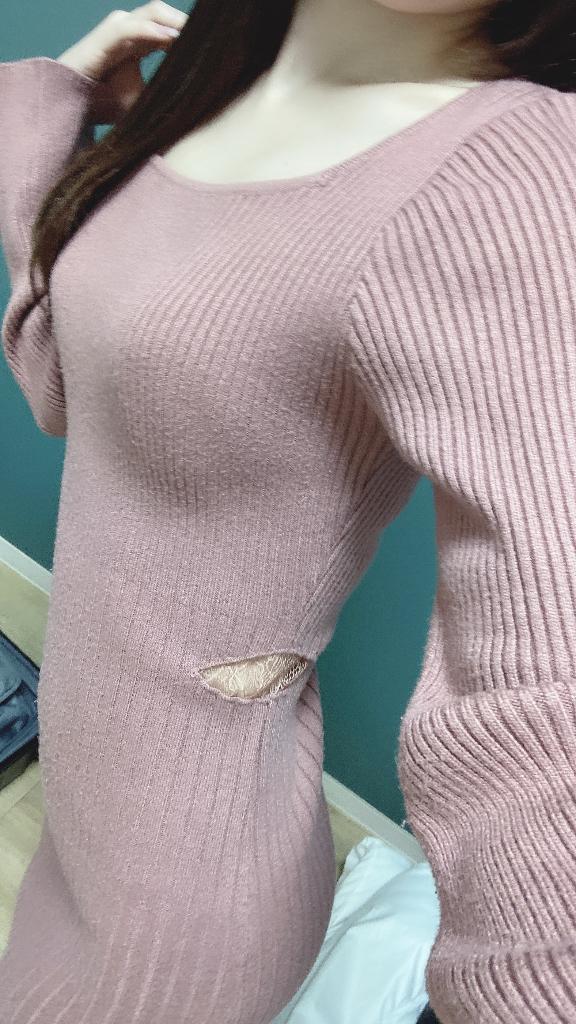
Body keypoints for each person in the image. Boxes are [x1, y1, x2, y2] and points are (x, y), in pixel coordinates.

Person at [0, 1, 575, 1022]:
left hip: (175, 908)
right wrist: (48, 98)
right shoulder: (220, 89)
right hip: (88, 799)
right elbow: (60, 383)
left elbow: (546, 680)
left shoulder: (510, 163)